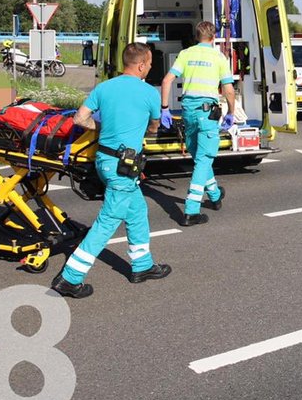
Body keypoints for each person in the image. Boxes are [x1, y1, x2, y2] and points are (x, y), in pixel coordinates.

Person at [52, 42, 168, 298]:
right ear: (141, 65)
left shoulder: (104, 87)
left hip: (104, 160)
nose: (150, 68)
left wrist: (105, 127)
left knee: (137, 209)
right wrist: (145, 128)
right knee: (107, 221)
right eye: (149, 64)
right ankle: (70, 278)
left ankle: (142, 265)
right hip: (124, 165)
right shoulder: (149, 93)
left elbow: (79, 119)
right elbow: (154, 127)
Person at [159, 21, 237, 226]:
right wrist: (231, 112)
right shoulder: (219, 57)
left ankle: (215, 195)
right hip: (207, 113)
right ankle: (191, 210)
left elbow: (166, 81)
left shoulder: (186, 54)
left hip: (188, 112)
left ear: (196, 37)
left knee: (200, 156)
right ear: (213, 38)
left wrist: (165, 108)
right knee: (204, 159)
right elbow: (228, 90)